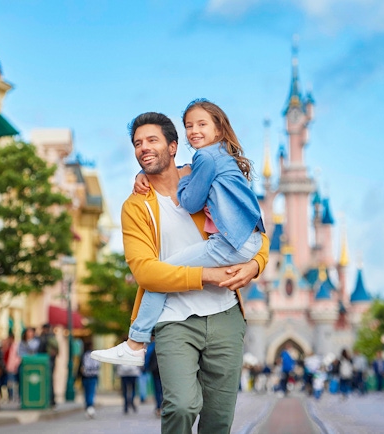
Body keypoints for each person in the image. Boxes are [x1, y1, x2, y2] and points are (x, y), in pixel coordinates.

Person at [105, 111, 269, 432]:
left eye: (152, 140)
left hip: (225, 316)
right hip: (173, 319)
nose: (144, 148)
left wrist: (255, 264)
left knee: (218, 420)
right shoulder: (135, 206)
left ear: (173, 146)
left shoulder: (204, 177)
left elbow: (252, 230)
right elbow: (147, 274)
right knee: (181, 406)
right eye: (138, 143)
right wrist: (204, 276)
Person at [77, 340, 100, 418]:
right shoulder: (94, 355)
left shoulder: (84, 355)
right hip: (93, 376)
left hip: (85, 376)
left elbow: (80, 367)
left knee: (86, 393)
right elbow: (98, 366)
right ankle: (90, 406)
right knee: (91, 392)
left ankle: (88, 406)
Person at [38, 324, 59, 407]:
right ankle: (51, 400)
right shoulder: (52, 337)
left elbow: (40, 350)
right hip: (50, 362)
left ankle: (49, 400)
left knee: (47, 381)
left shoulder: (45, 338)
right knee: (50, 381)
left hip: (46, 362)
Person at [145, 340, 163, 417]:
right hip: (165, 370)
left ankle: (159, 407)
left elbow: (147, 357)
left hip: (155, 370)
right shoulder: (166, 344)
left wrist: (146, 367)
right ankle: (163, 406)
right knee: (164, 390)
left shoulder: (152, 345)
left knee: (157, 389)